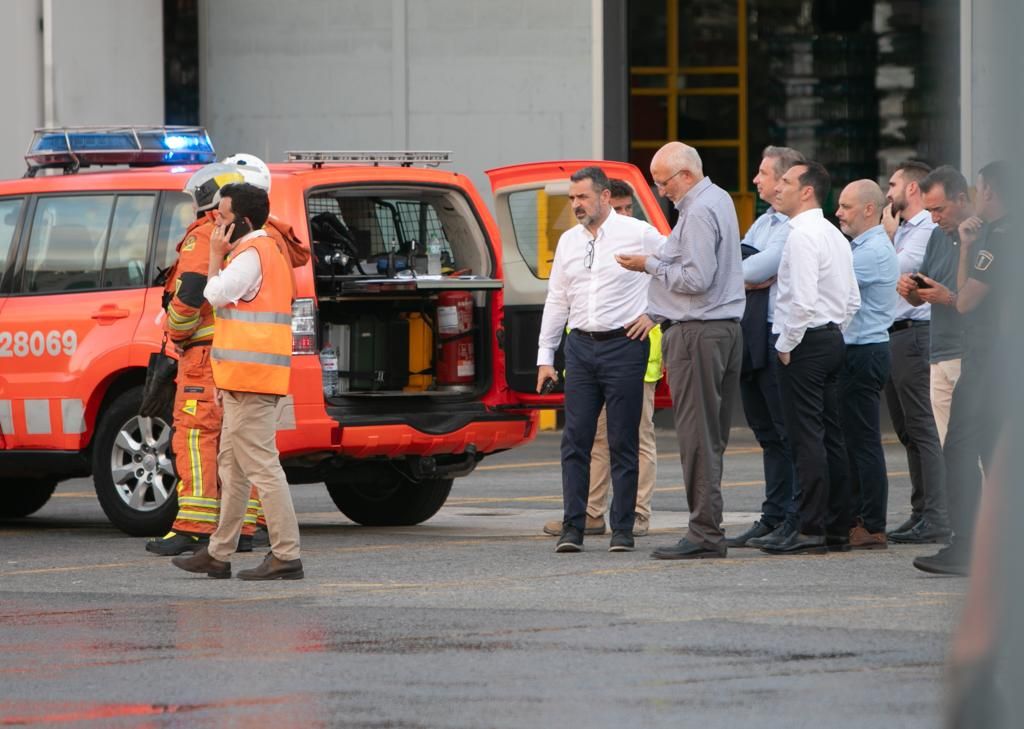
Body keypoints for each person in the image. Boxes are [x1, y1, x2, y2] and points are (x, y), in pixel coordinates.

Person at [617, 142, 745, 560]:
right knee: (710, 437)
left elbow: (696, 278)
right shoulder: (718, 199)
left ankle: (705, 533)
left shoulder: (699, 210)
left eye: (662, 182)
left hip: (698, 335)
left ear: (685, 175)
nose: (661, 191)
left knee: (696, 438)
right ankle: (708, 526)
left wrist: (648, 266)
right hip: (720, 331)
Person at [172, 182, 304, 580]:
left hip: (252, 381)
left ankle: (286, 554)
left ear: (242, 222)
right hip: (242, 378)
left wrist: (215, 254)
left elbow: (213, 294)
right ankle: (218, 552)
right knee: (233, 466)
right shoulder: (262, 251)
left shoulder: (251, 254)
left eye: (224, 219)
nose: (217, 226)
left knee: (261, 467)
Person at [537, 167, 664, 553]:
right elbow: (557, 298)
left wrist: (656, 313)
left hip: (624, 345)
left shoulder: (638, 232)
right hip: (579, 348)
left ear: (605, 197)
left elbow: (678, 267)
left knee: (623, 441)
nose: (576, 205)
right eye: (572, 198)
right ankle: (573, 528)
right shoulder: (568, 242)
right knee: (575, 440)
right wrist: (546, 356)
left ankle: (622, 528)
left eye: (583, 198)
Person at [144, 162, 267, 556]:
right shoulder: (262, 235)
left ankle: (194, 527)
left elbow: (191, 296)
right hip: (244, 353)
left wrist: (176, 332)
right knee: (240, 442)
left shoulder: (205, 235)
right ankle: (244, 527)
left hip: (203, 358)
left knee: (197, 437)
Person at [907, 162, 1010, 575]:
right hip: (996, 357)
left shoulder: (1000, 237)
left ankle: (966, 546)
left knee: (961, 448)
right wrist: (967, 247)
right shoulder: (989, 236)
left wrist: (970, 251)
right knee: (993, 451)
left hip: (988, 357)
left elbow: (965, 302)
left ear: (986, 192)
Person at [757, 161, 860, 555]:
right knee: (831, 436)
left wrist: (786, 344)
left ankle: (810, 529)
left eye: (786, 181)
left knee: (806, 438)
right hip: (831, 338)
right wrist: (833, 331)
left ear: (807, 192)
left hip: (805, 343)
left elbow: (800, 301)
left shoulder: (800, 236)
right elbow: (852, 299)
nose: (778, 187)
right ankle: (835, 526)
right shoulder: (833, 233)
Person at [727, 146, 804, 549]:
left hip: (780, 337)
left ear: (786, 179)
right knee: (766, 433)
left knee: (787, 431)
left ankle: (795, 516)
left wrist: (751, 271)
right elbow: (734, 265)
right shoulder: (763, 223)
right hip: (753, 336)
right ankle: (773, 515)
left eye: (763, 173)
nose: (756, 180)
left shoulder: (795, 227)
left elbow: (751, 268)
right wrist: (751, 272)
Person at [881, 161, 951, 545]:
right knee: (908, 430)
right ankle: (921, 510)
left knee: (923, 428)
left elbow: (896, 269)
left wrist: (885, 237)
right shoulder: (904, 229)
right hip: (895, 333)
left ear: (911, 189)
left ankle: (938, 515)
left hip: (916, 332)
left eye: (892, 185)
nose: (886, 193)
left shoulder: (926, 227)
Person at [833, 179, 899, 549]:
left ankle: (872, 524)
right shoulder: (863, 247)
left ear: (870, 210)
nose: (839, 212)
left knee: (862, 443)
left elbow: (832, 286)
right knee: (853, 440)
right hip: (860, 350)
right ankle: (859, 517)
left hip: (864, 351)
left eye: (846, 206)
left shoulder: (869, 252)